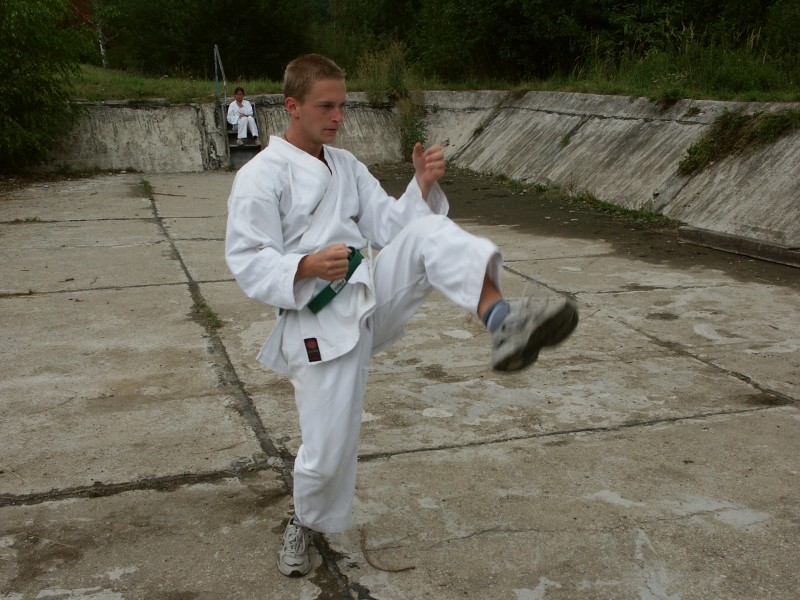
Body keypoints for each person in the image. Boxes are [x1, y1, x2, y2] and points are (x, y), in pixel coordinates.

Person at [224, 54, 578, 577]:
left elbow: (391, 225)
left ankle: (503, 320)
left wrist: (421, 185)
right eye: (326, 106)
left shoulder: (346, 165)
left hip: (368, 292)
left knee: (429, 233)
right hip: (317, 321)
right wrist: (305, 265)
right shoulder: (260, 176)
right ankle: (304, 520)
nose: (338, 116)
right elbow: (247, 258)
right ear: (292, 106)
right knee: (327, 452)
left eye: (343, 106)